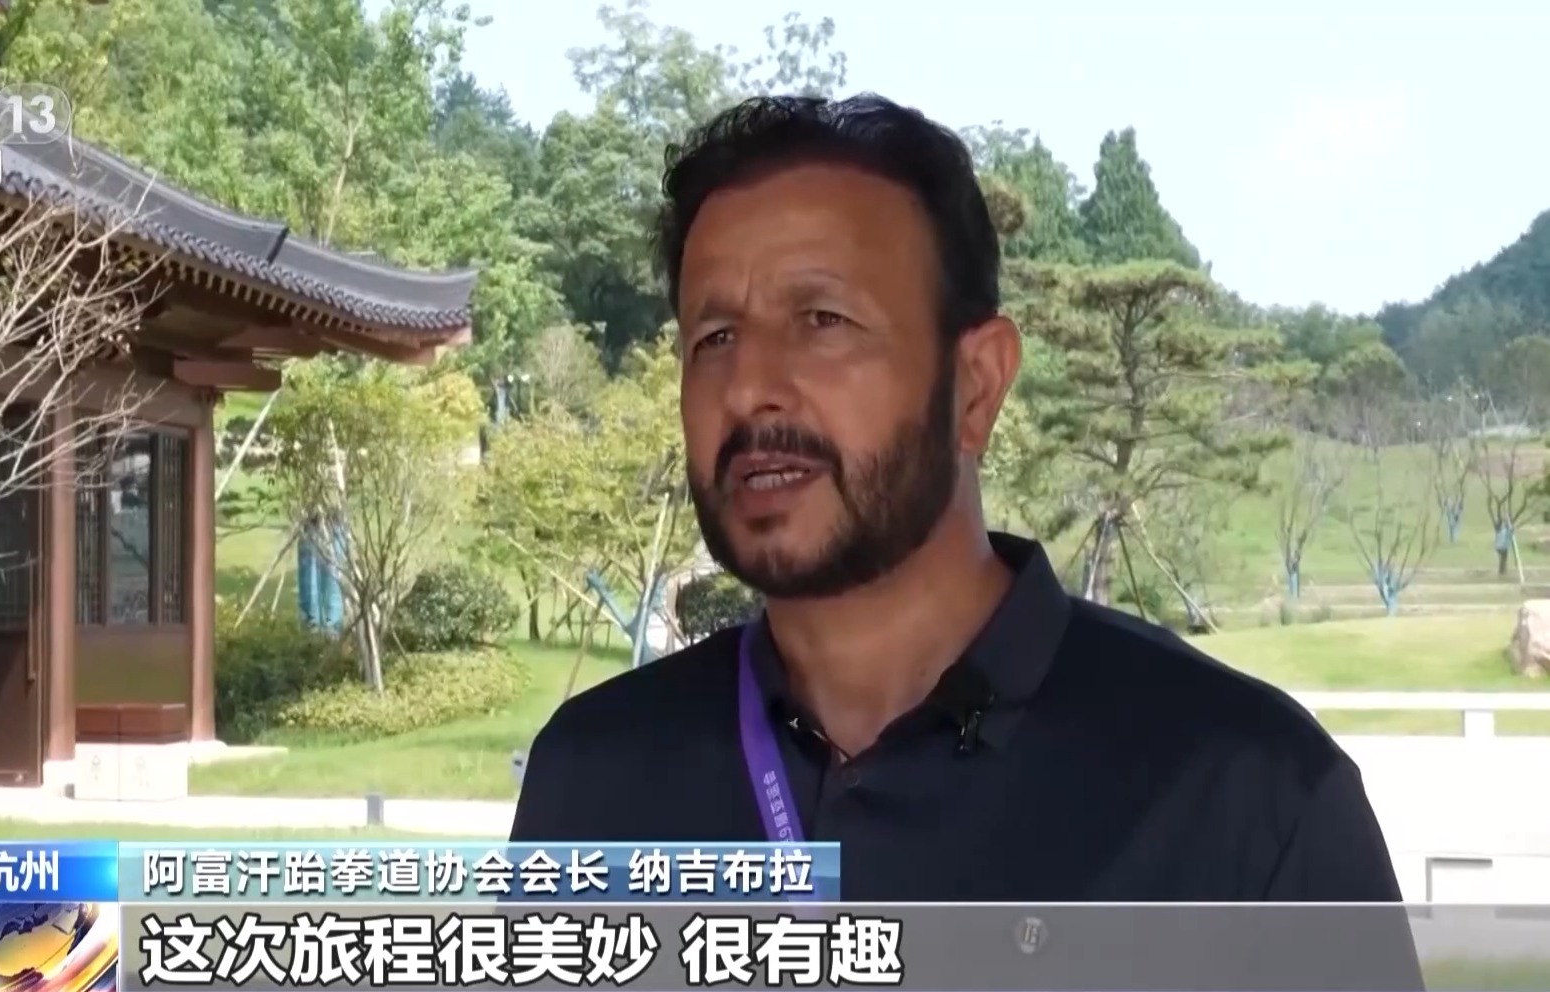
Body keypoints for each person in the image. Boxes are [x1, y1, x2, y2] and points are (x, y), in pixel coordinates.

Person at [510, 94, 1408, 906]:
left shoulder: (1246, 800)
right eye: (714, 336)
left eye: (823, 321)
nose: (748, 389)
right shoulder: (592, 785)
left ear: (976, 386)